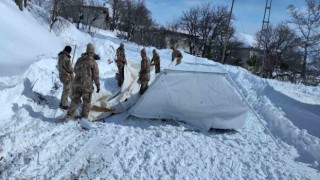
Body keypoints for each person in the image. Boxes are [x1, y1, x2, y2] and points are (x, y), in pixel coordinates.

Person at [65, 43, 100, 121]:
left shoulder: (79, 59)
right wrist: (98, 86)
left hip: (77, 85)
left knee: (74, 101)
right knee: (86, 103)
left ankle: (68, 116)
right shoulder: (93, 62)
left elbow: (74, 70)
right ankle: (83, 118)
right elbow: (96, 76)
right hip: (87, 87)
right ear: (92, 52)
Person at [57, 46, 73, 110]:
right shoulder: (67, 59)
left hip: (61, 75)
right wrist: (72, 72)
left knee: (65, 89)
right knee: (67, 90)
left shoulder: (60, 56)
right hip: (66, 76)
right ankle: (64, 105)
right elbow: (69, 69)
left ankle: (62, 102)